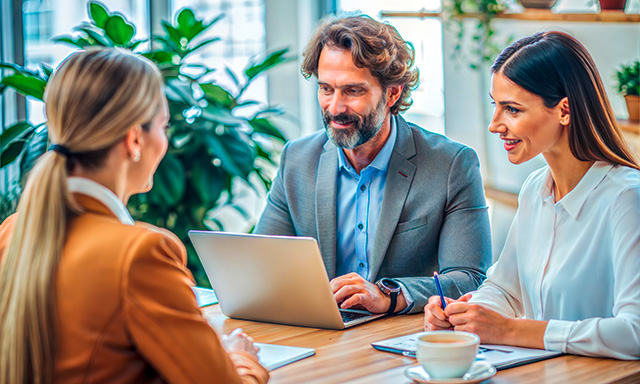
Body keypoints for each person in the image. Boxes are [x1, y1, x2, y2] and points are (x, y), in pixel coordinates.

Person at [0, 49, 269, 383]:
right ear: (135, 139)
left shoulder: (13, 231)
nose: (166, 139)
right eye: (163, 125)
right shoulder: (139, 253)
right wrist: (240, 358)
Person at [254, 15, 492, 315]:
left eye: (353, 91)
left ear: (393, 93)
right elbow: (261, 263)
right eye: (326, 89)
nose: (335, 108)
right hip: (322, 336)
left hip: (405, 339)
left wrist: (389, 295)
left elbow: (469, 279)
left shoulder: (451, 165)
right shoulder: (298, 160)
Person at [424, 31, 640, 360]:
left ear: (564, 110)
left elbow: (634, 333)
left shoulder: (627, 197)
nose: (495, 125)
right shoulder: (535, 189)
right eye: (495, 106)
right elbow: (504, 288)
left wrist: (512, 330)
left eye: (512, 110)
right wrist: (465, 315)